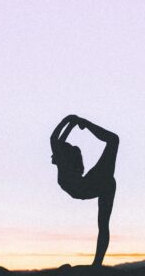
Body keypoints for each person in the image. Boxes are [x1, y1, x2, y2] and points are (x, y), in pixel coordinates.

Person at [50, 114, 119, 266]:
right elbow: (57, 141)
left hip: (90, 185)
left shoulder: (63, 164)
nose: (51, 157)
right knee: (113, 140)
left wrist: (71, 121)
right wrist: (72, 121)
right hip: (91, 185)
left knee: (103, 224)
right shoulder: (64, 164)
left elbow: (55, 140)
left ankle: (97, 263)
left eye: (54, 154)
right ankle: (97, 263)